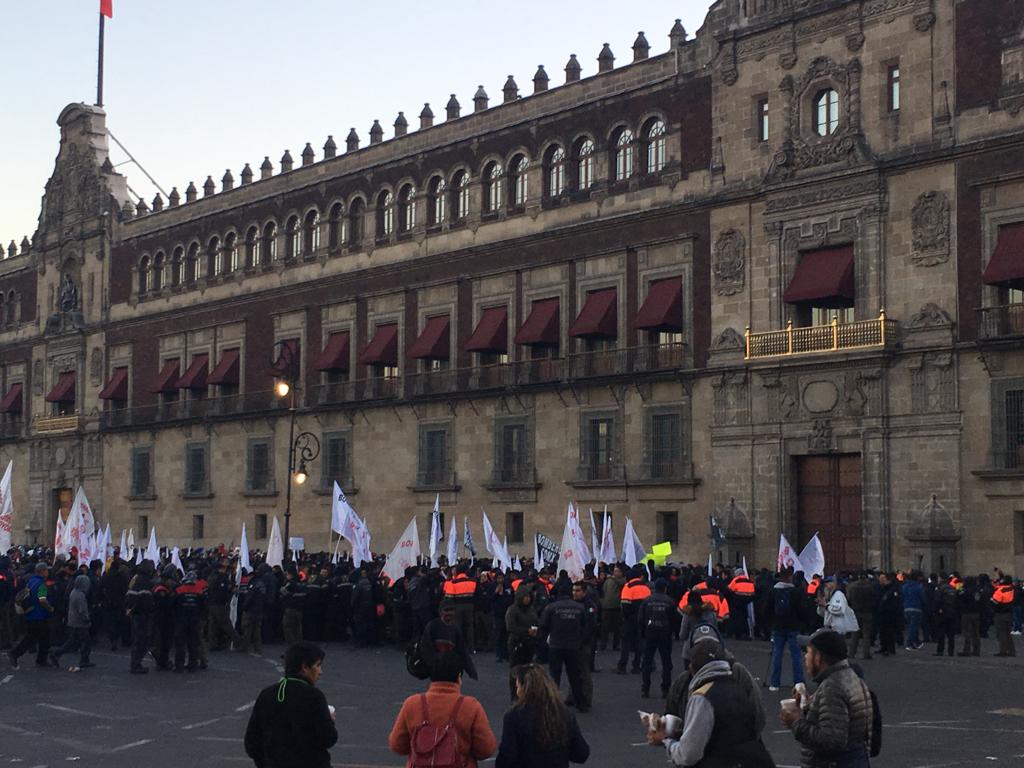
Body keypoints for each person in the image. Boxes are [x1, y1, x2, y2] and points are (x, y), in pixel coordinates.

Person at [648, 639, 775, 767]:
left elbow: (688, 754)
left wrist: (666, 740)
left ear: (692, 668)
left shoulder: (702, 697)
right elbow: (758, 720)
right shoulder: (737, 686)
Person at [779, 629, 873, 768]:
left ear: (819, 658)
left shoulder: (832, 687)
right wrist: (808, 706)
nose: (805, 656)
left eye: (809, 652)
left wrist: (796, 723)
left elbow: (831, 740)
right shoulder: (849, 676)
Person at [389, 650, 497, 768]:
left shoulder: (412, 704)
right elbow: (486, 749)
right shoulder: (471, 706)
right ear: (459, 677)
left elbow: (397, 745)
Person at [244, 641, 338, 768]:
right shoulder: (314, 697)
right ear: (304, 667)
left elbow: (252, 742)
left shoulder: (267, 695)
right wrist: (330, 720)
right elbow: (328, 738)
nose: (320, 671)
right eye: (318, 665)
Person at [495, 663, 590, 768]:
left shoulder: (513, 716)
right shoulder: (564, 713)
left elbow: (507, 757)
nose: (517, 692)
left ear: (524, 689)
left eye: (518, 687)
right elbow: (581, 754)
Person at [539, 584, 590, 713]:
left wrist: (543, 645)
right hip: (573, 646)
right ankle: (581, 703)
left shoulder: (551, 607)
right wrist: (580, 640)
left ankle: (552, 704)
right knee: (575, 676)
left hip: (556, 645)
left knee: (554, 676)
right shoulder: (579, 608)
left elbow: (544, 626)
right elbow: (585, 626)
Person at [8, 562, 54, 668]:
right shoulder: (42, 584)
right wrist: (50, 608)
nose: (47, 572)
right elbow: (42, 600)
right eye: (46, 570)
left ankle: (38, 659)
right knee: (41, 638)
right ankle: (38, 659)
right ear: (42, 571)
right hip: (40, 615)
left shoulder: (31, 581)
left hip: (30, 613)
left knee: (33, 637)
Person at [767, 568, 804, 692]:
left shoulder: (773, 591)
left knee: (777, 654)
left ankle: (774, 683)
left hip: (778, 626)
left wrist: (770, 623)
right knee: (796, 656)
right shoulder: (796, 592)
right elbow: (801, 610)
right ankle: (798, 682)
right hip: (793, 626)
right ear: (790, 577)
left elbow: (767, 609)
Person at [420, 600, 478, 680]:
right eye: (446, 610)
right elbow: (425, 648)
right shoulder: (433, 626)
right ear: (440, 612)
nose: (449, 613)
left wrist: (471, 671)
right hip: (436, 669)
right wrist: (433, 665)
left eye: (451, 610)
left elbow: (463, 652)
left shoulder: (455, 629)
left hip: (452, 670)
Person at [49, 574, 93, 672]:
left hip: (73, 620)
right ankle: (83, 660)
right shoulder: (81, 595)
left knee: (72, 641)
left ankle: (57, 654)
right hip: (80, 622)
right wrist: (87, 619)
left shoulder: (73, 592)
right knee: (86, 642)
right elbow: (82, 610)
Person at [639, 578, 675, 699]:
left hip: (650, 632)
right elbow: (675, 619)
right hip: (665, 633)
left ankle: (645, 688)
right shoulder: (670, 601)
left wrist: (644, 631)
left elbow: (641, 618)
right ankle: (665, 688)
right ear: (665, 588)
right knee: (666, 662)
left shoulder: (647, 600)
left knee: (647, 661)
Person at [617, 568, 650, 674]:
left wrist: (625, 617)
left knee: (625, 643)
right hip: (642, 620)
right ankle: (636, 665)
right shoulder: (645, 587)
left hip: (630, 619)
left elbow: (625, 605)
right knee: (639, 643)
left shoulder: (628, 587)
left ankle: (622, 665)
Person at [125, 560, 156, 674]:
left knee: (137, 640)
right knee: (142, 640)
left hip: (135, 615)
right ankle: (136, 664)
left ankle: (135, 663)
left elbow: (129, 596)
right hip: (143, 615)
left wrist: (129, 608)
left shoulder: (135, 580)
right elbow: (148, 601)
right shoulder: (147, 583)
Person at [845, 573, 876, 661]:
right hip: (867, 613)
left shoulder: (852, 587)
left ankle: (851, 653)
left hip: (855, 612)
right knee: (866, 635)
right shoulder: (870, 587)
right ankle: (866, 653)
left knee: (855, 634)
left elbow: (848, 599)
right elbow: (874, 599)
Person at [901, 572, 925, 651]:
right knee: (913, 627)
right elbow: (923, 598)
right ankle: (909, 643)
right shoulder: (918, 587)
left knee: (912, 627)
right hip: (916, 608)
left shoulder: (904, 587)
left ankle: (916, 642)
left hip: (906, 608)